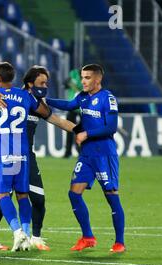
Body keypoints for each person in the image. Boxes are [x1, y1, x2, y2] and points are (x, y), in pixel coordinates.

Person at [0, 65, 76, 251]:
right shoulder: (26, 97)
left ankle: (18, 233)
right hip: (22, 153)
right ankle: (24, 233)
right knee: (23, 195)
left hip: (3, 152)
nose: (45, 86)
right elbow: (51, 116)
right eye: (42, 82)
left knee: (3, 195)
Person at [45, 64, 126, 253]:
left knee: (111, 197)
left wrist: (86, 134)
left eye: (87, 78)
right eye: (82, 77)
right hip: (87, 155)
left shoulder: (108, 98)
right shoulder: (82, 97)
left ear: (98, 80)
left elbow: (111, 128)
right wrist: (43, 99)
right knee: (74, 194)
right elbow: (67, 105)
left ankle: (119, 242)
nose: (83, 81)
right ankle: (88, 237)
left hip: (104, 154)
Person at [63, 68, 82, 158]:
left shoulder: (89, 78)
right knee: (69, 130)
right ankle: (68, 152)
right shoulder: (73, 73)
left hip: (83, 108)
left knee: (83, 131)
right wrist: (67, 83)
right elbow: (65, 84)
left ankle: (82, 152)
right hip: (72, 107)